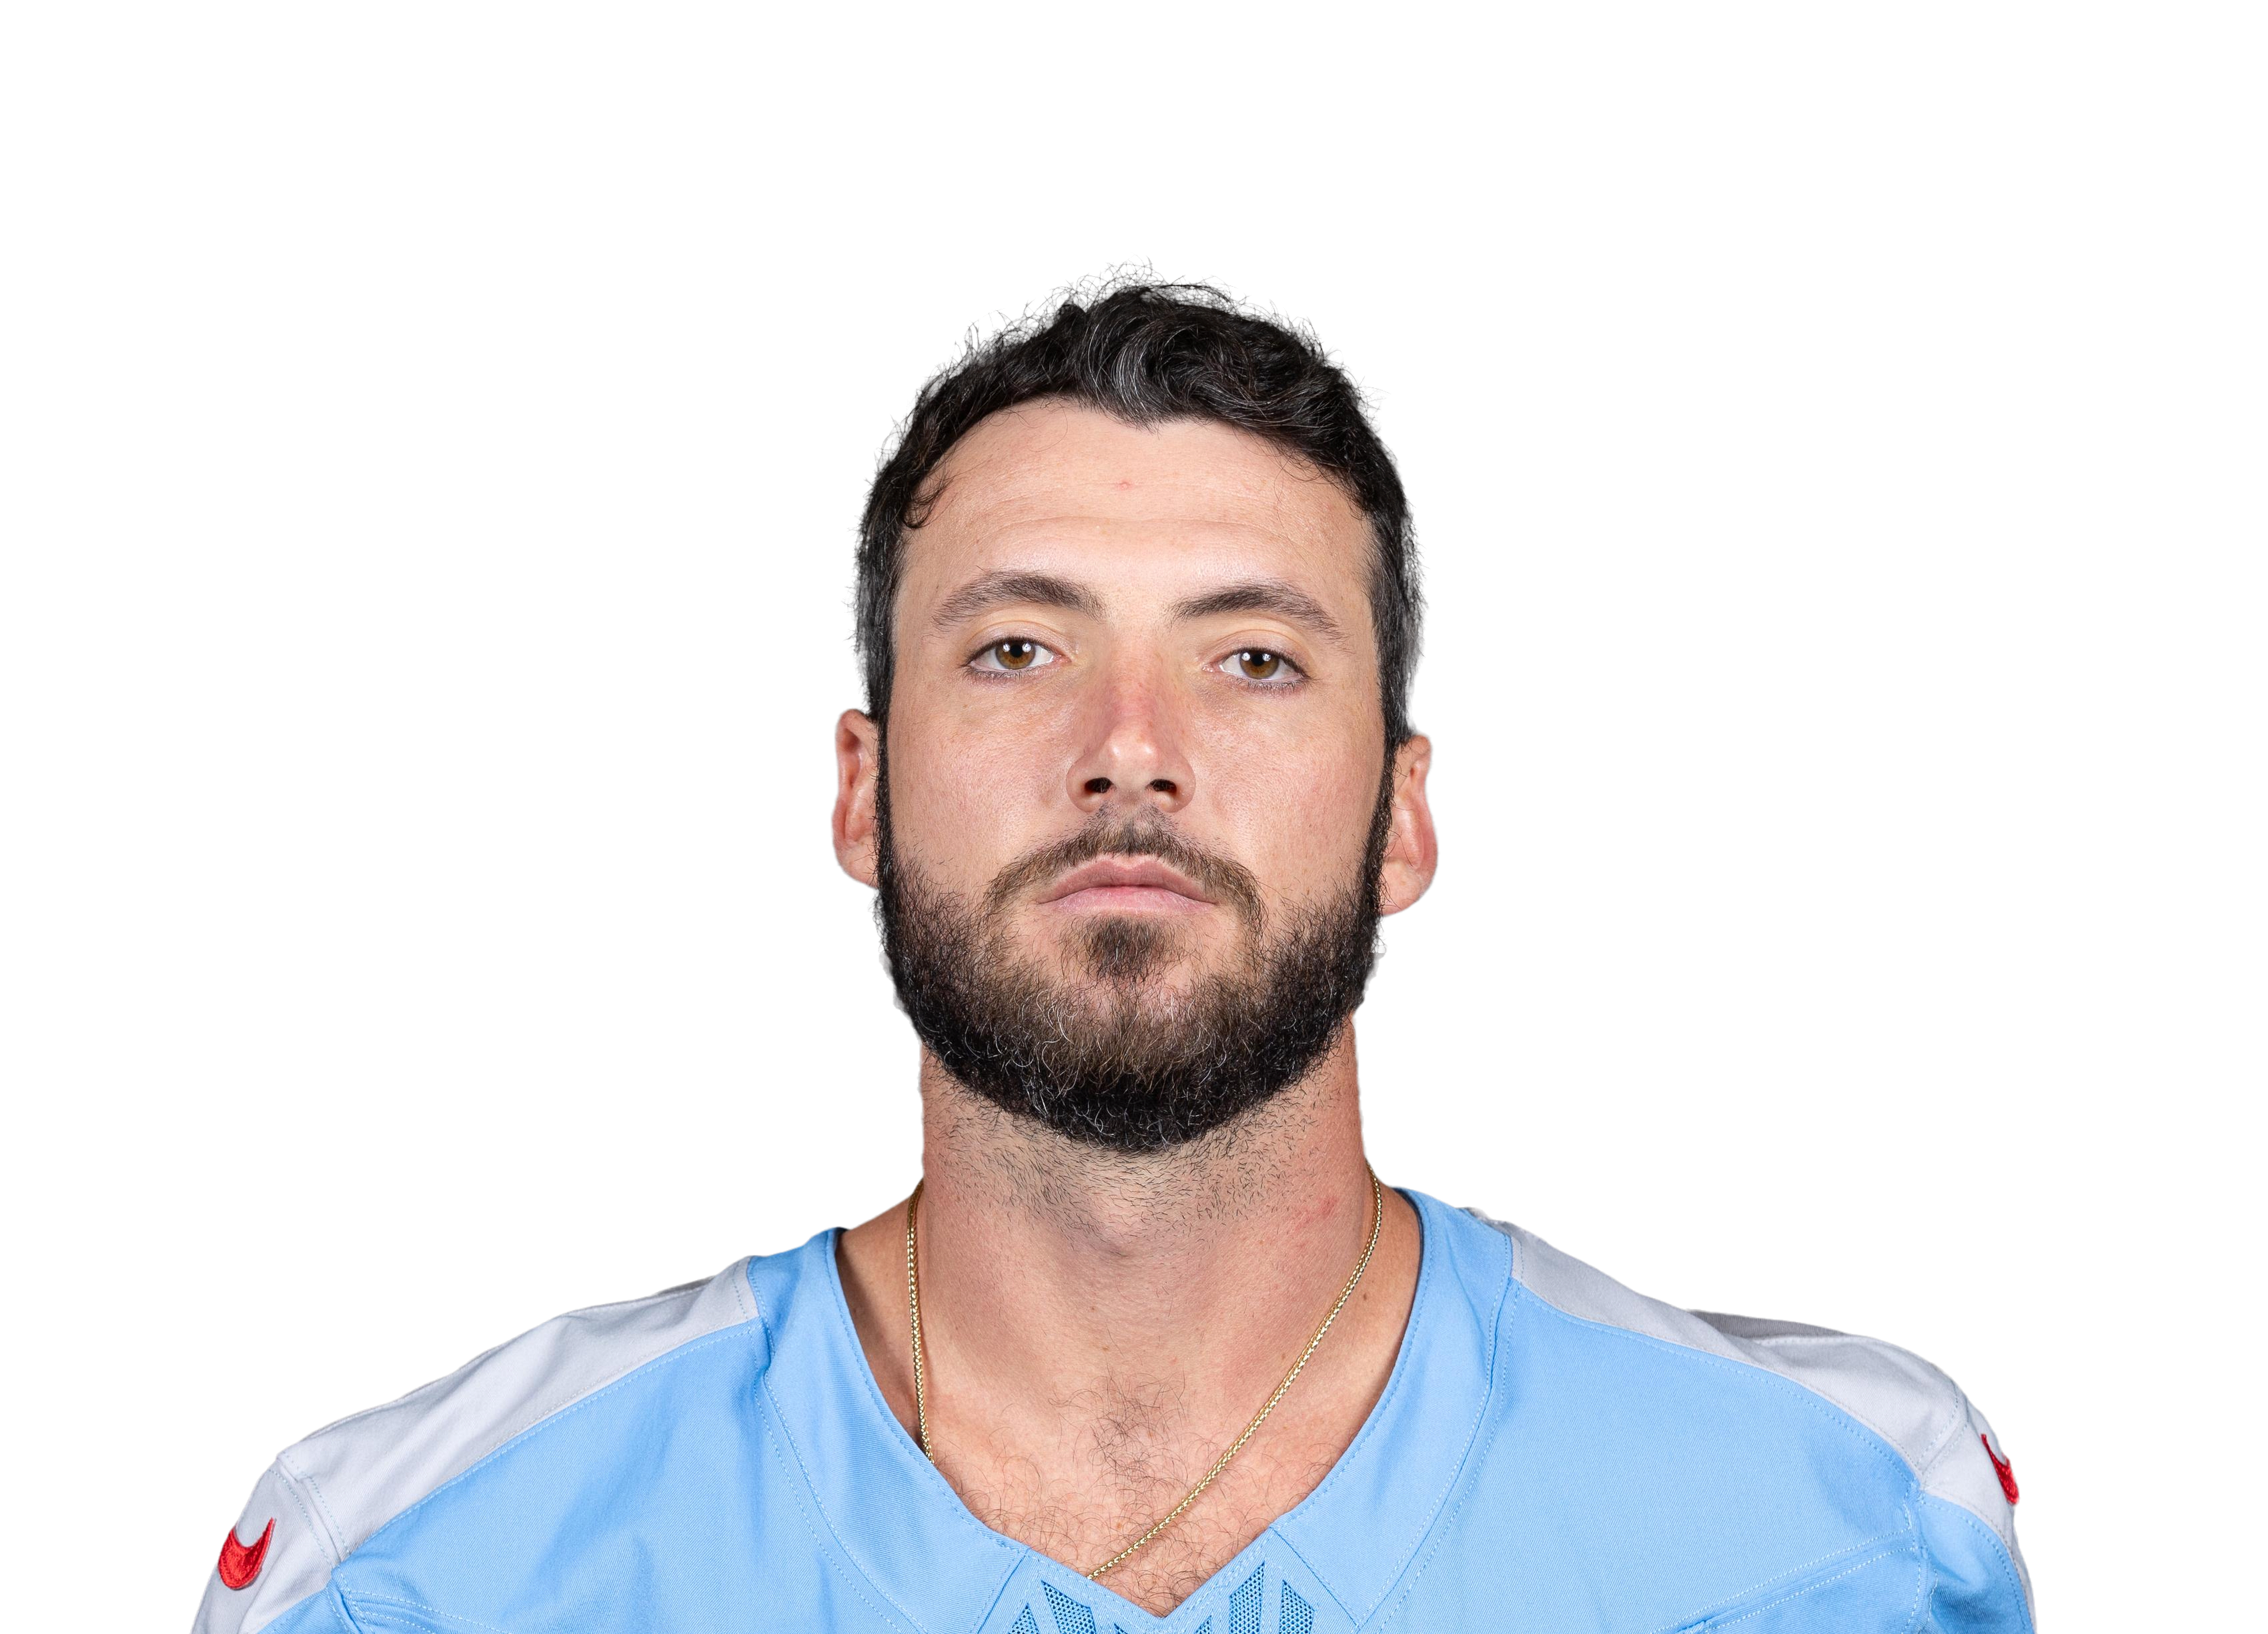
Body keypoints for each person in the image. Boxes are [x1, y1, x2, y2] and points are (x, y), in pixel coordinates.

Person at [193, 266, 2037, 1633]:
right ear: (862, 791)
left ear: (1405, 814)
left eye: (1255, 658)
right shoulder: (412, 1566)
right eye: (1018, 648)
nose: (1131, 748)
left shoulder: (1850, 1526)